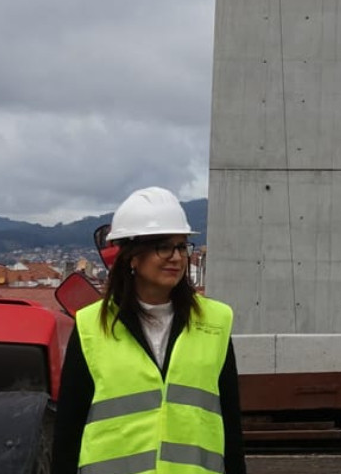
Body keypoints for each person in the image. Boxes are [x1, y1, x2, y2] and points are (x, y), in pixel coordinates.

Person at [53, 187, 246, 474]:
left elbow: (230, 425)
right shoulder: (92, 326)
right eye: (163, 247)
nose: (177, 258)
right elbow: (69, 431)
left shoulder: (215, 322)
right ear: (132, 257)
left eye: (182, 247)